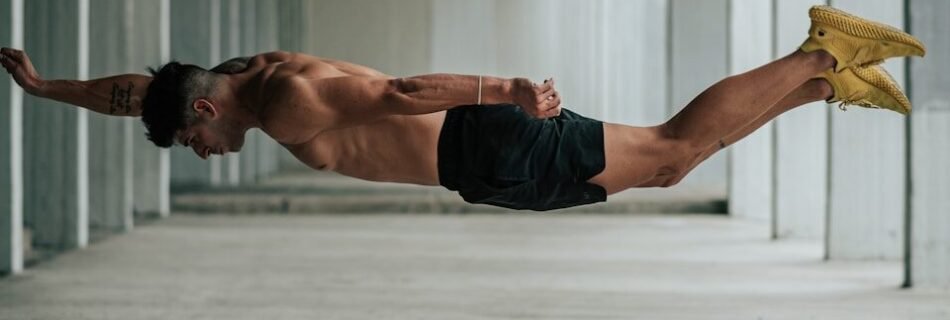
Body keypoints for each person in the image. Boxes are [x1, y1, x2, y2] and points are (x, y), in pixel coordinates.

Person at [0, 6, 925, 211]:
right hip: (483, 158)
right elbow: (145, 94)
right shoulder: (242, 75)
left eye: (188, 142)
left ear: (208, 112)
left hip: (486, 142)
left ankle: (819, 51)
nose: (199, 153)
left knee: (674, 149)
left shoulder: (284, 101)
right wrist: (50, 90)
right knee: (674, 159)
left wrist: (505, 89)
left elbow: (398, 95)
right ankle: (820, 85)